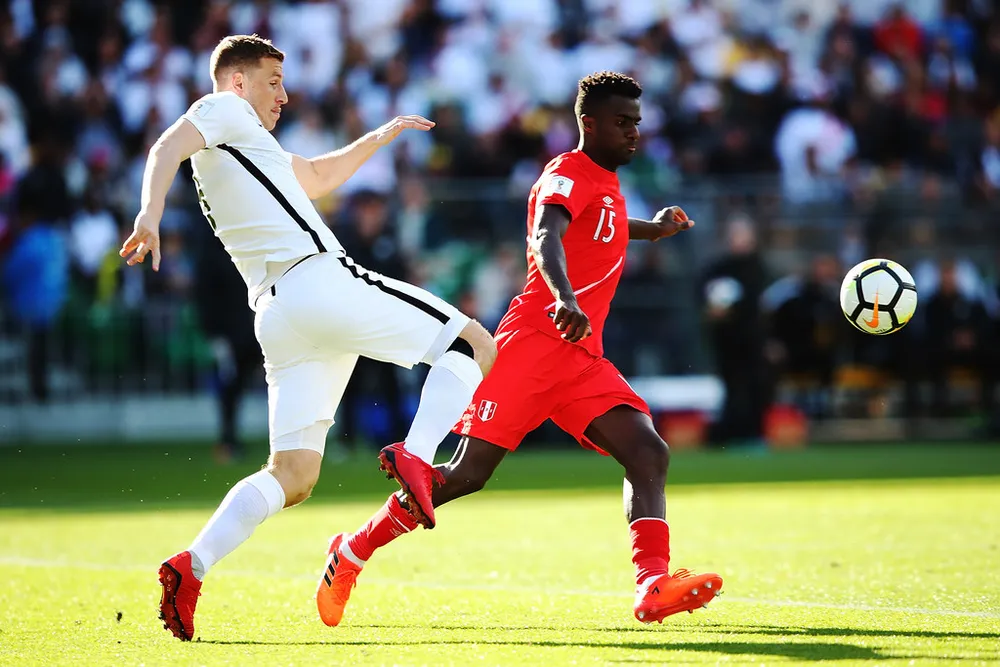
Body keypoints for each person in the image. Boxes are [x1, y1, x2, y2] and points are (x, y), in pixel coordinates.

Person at [118, 35, 496, 641]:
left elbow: (317, 175)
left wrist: (381, 135)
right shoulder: (223, 109)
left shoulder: (247, 147)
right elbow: (166, 146)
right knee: (474, 344)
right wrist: (148, 214)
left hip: (279, 316)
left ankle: (193, 565)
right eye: (272, 81)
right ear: (237, 82)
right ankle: (418, 455)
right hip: (316, 279)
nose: (283, 95)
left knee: (292, 474)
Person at [316, 72, 723, 629]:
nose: (634, 132)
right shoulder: (566, 172)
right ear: (589, 123)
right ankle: (354, 550)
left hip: (581, 358)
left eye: (637, 122)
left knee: (648, 453)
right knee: (464, 477)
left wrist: (650, 230)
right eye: (623, 122)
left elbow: (600, 228)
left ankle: (652, 585)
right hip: (533, 343)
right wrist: (565, 297)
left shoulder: (605, 182)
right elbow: (545, 236)